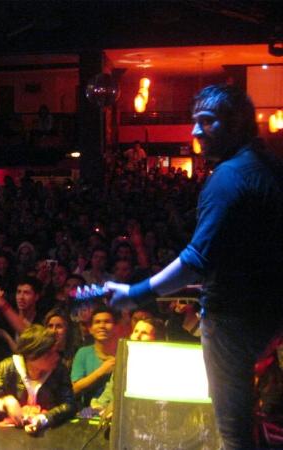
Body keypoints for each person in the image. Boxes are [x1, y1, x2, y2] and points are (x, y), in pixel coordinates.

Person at [105, 85, 283, 450]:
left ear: (236, 122)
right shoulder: (271, 166)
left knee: (234, 432)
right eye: (194, 121)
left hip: (231, 320)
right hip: (268, 313)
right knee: (258, 421)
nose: (194, 131)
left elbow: (197, 261)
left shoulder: (229, 177)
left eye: (206, 121)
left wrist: (136, 293)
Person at [0, 324, 75, 433]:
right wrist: (5, 402)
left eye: (56, 352)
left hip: (48, 434)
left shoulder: (59, 370)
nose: (56, 357)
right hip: (11, 435)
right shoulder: (7, 368)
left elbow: (69, 405)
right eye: (49, 354)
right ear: (31, 356)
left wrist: (44, 418)